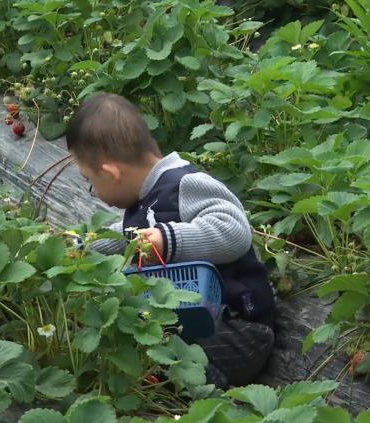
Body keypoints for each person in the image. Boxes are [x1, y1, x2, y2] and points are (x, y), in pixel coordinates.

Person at [65, 93, 275, 389]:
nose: (94, 190)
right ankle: (174, 380)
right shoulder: (143, 204)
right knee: (142, 337)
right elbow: (121, 240)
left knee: (156, 348)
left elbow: (235, 231)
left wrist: (169, 239)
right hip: (198, 323)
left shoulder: (186, 185)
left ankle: (204, 391)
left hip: (240, 329)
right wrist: (81, 246)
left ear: (111, 174)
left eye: (90, 181)